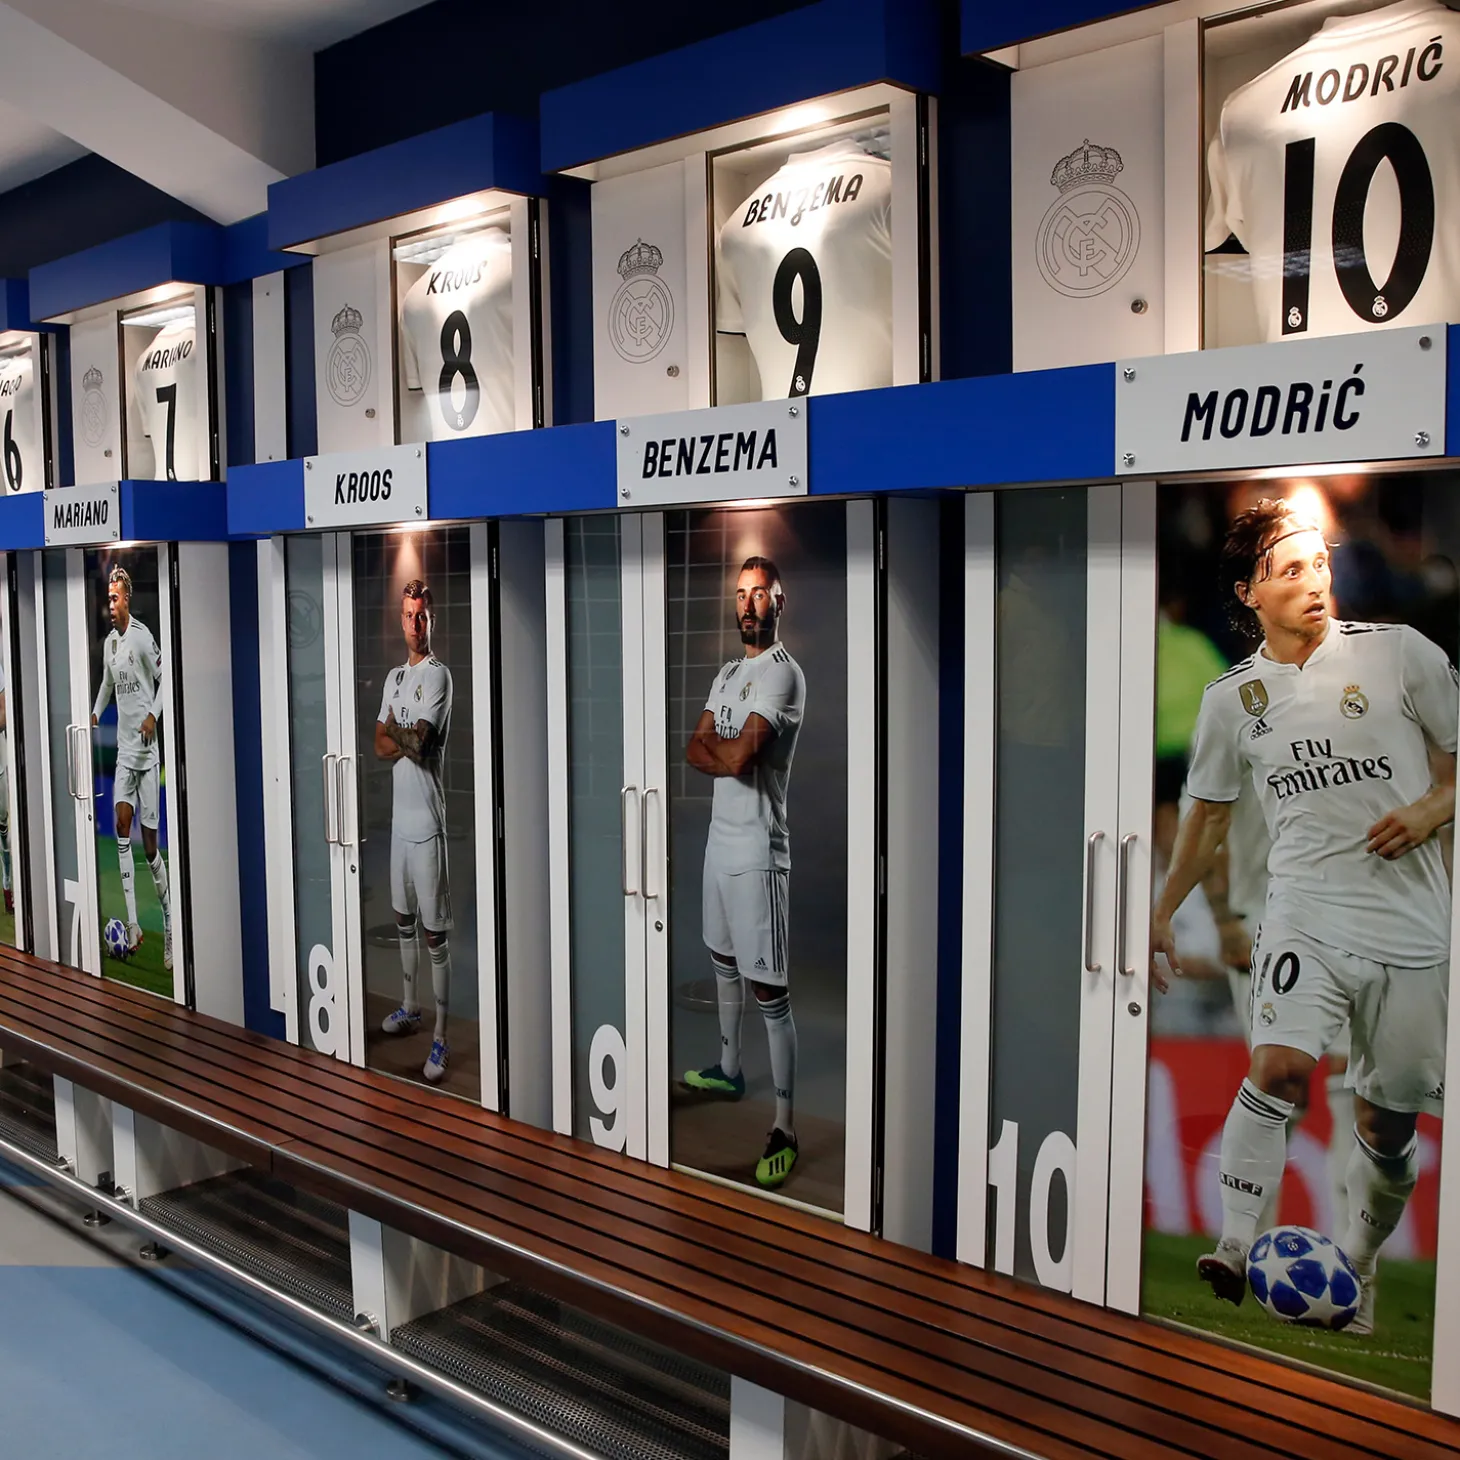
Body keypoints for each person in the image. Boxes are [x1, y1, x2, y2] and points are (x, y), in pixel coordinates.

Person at [1151, 499, 1456, 1335]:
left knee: (1385, 1127)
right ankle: (1235, 1243)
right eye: (1291, 570)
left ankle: (1359, 1265)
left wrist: (1432, 809)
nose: (1315, 580)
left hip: (1412, 929)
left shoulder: (1400, 654)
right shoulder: (1232, 700)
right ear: (1249, 593)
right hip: (1303, 912)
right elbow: (1207, 817)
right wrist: (1164, 909)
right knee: (1278, 1067)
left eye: (1320, 563)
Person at [683, 556, 806, 1189]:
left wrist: (722, 752)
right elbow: (695, 746)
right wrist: (722, 752)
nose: (748, 604)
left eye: (760, 594)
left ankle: (785, 1126)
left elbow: (736, 759)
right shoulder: (729, 673)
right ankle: (730, 1069)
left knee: (769, 994)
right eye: (741, 594)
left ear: (778, 603)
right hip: (718, 846)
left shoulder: (783, 674)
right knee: (722, 962)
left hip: (759, 853)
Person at [375, 579, 455, 1085]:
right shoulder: (394, 678)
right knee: (403, 919)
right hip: (398, 826)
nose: (415, 623)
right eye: (409, 615)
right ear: (401, 619)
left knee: (433, 933)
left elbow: (421, 746)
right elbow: (377, 742)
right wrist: (404, 737)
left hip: (427, 824)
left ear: (432, 619)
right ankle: (410, 1007)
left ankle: (442, 1037)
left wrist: (399, 734)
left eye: (422, 615)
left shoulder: (438, 675)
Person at [91, 566, 171, 968]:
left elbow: (166, 678)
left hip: (147, 756)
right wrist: (94, 712)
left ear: (127, 599)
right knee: (122, 829)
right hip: (124, 754)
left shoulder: (141, 636)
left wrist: (153, 715)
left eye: (115, 598)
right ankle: (135, 925)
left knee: (150, 848)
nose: (110, 604)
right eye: (108, 598)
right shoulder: (110, 644)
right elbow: (107, 684)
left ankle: (170, 923)